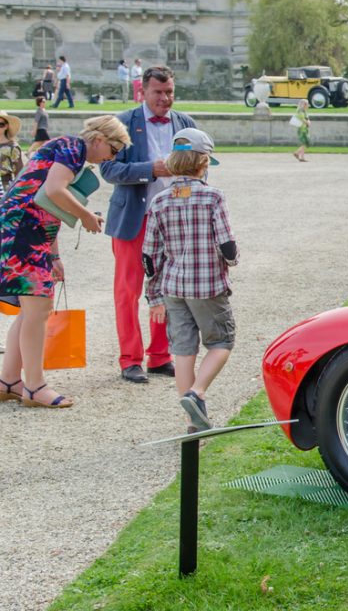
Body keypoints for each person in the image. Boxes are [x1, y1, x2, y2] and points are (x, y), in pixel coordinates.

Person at [0, 116, 130, 409]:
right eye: (114, 148)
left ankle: (9, 380)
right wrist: (85, 215)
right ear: (98, 139)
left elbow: (46, 203)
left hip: (25, 230)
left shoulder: (67, 148)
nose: (113, 156)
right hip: (22, 231)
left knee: (31, 308)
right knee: (38, 307)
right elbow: (55, 190)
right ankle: (34, 386)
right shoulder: (74, 148)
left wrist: (53, 254)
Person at [100, 65, 198, 384]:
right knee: (128, 291)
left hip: (172, 221)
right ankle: (130, 359)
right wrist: (150, 170)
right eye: (158, 92)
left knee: (169, 288)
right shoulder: (123, 123)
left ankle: (160, 355)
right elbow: (109, 170)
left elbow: (201, 168)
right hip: (134, 219)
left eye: (169, 92)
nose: (165, 98)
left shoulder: (186, 124)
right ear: (143, 91)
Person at [142, 128, 238, 432]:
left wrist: (153, 295)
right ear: (203, 161)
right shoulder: (212, 197)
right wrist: (233, 261)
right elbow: (227, 245)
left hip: (173, 287)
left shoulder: (159, 201)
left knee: (183, 349)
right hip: (207, 285)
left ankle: (192, 421)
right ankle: (196, 394)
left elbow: (149, 256)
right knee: (222, 341)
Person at [0, 112, 25, 194]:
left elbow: (19, 172)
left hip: (4, 187)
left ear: (6, 126)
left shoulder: (13, 147)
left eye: (1, 125)